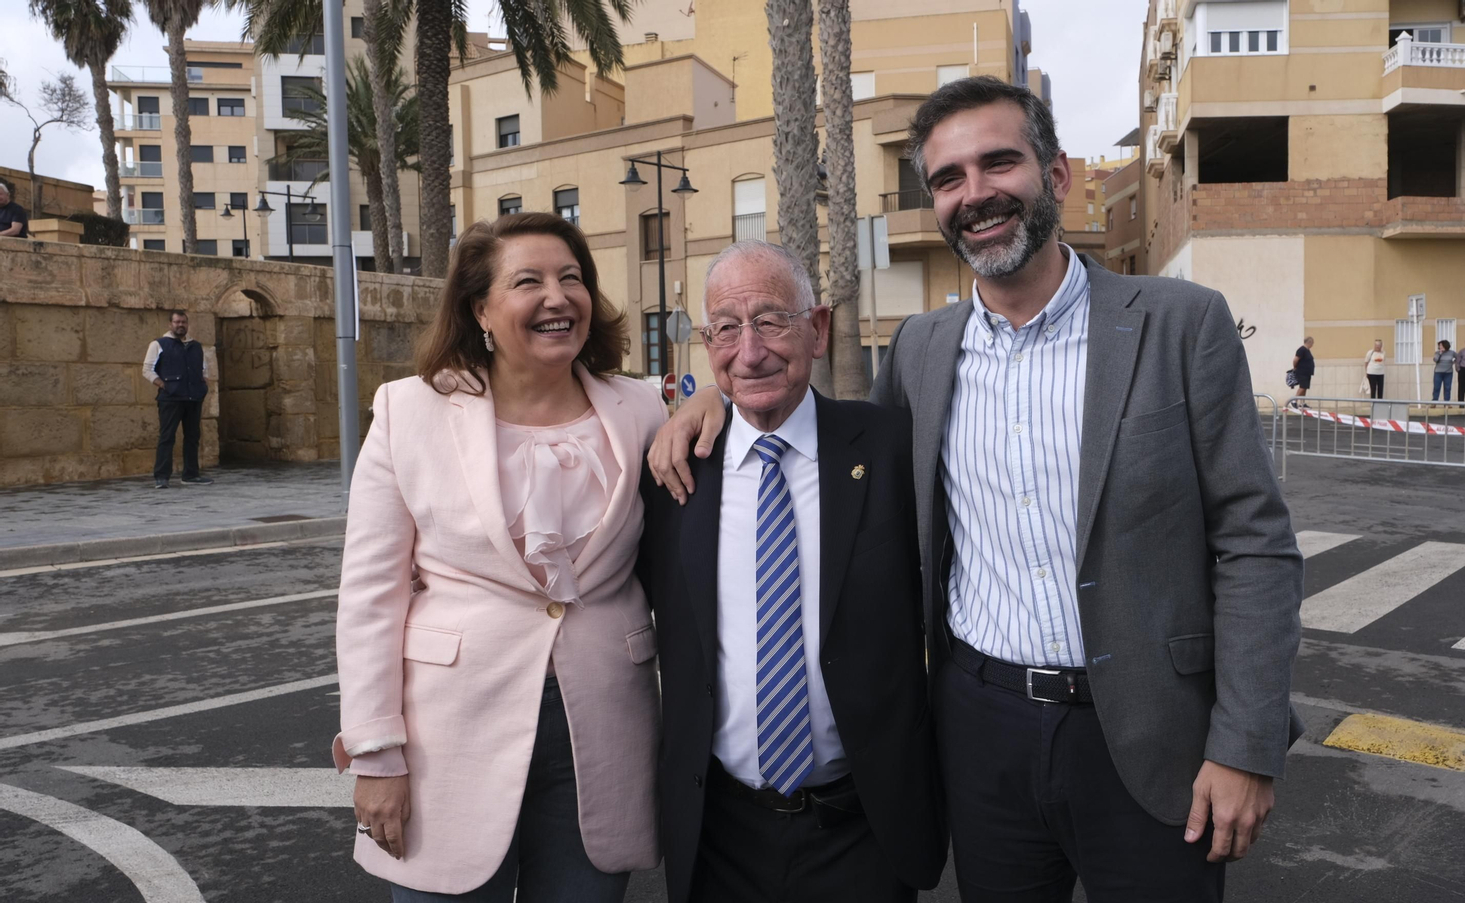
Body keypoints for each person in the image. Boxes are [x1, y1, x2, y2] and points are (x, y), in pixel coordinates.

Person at [650, 77, 1303, 902]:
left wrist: (1245, 741)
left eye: (1000, 163)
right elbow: (814, 424)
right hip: (980, 734)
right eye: (950, 178)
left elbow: (1255, 542)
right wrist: (713, 396)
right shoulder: (923, 352)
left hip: (1148, 732)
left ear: (1057, 174)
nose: (977, 195)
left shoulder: (1180, 323)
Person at [334, 213, 665, 901]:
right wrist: (375, 755)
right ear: (480, 308)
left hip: (602, 728)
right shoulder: (408, 411)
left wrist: (712, 401)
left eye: (571, 278)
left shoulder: (641, 409)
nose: (557, 296)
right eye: (529, 281)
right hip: (446, 739)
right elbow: (370, 595)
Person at [636, 241, 945, 903]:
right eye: (726, 328)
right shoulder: (674, 472)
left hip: (862, 830)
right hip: (720, 833)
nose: (750, 351)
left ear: (820, 327)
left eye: (772, 321)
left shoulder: (892, 449)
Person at [142, 310, 212, 488]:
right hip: (170, 399)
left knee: (192, 436)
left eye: (183, 322)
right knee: (167, 437)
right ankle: (162, 477)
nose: (180, 325)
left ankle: (190, 474)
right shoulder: (159, 344)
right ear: (170, 324)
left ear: (187, 324)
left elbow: (203, 369)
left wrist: (202, 386)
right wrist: (163, 385)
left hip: (193, 398)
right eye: (177, 322)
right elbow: (147, 370)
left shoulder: (196, 346)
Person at [1291, 336, 1315, 406]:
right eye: (1312, 343)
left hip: (1307, 373)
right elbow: (1295, 360)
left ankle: (1302, 403)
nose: (1312, 345)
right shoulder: (1301, 350)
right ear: (1309, 342)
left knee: (1305, 387)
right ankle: (1294, 401)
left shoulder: (1307, 350)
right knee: (1302, 387)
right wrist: (1295, 367)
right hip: (1302, 372)